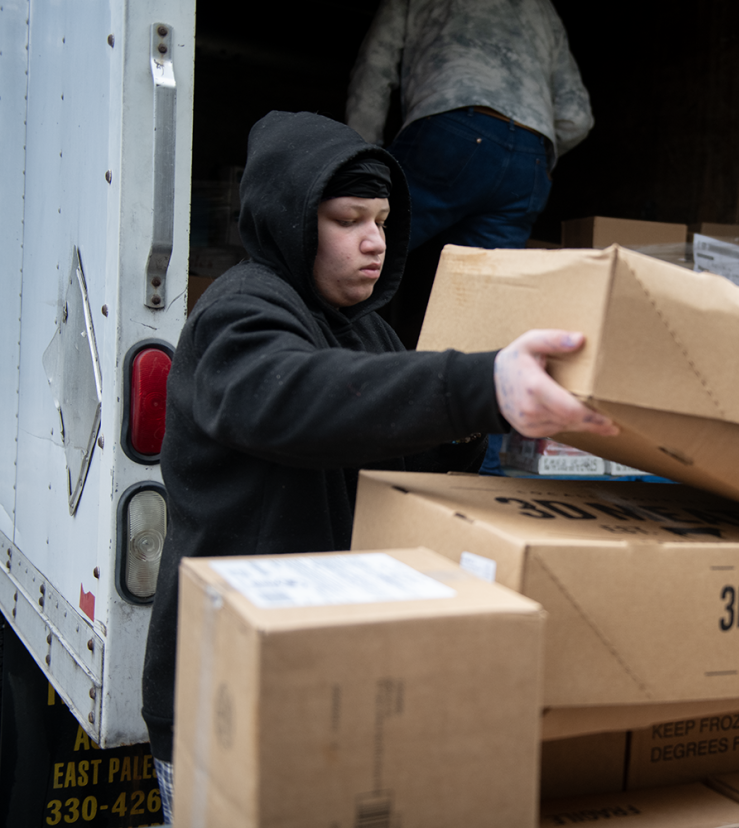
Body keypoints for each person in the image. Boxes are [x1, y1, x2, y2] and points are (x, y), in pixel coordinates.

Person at [140, 110, 616, 823]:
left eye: (384, 220)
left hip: (336, 675)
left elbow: (399, 432)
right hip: (224, 693)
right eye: (348, 219)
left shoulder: (366, 326)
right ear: (291, 218)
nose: (374, 241)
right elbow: (302, 401)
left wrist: (486, 424)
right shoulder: (236, 318)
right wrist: (476, 387)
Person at [345, 0, 593, 345]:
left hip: (451, 129)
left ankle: (323, 367)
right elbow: (577, 116)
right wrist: (526, 152)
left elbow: (374, 67)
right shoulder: (542, 7)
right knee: (481, 312)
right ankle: (457, 391)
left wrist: (360, 169)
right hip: (529, 157)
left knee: (354, 251)